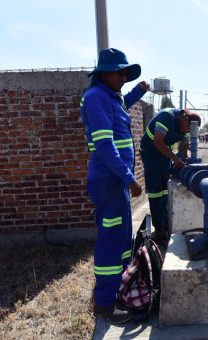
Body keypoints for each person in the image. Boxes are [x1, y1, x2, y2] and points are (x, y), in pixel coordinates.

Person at [80, 48, 150, 323]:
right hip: (110, 180)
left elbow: (120, 107)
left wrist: (138, 93)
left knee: (122, 239)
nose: (124, 77)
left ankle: (119, 289)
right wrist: (129, 177)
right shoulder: (96, 97)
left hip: (115, 181)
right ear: (104, 73)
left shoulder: (109, 97)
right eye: (119, 72)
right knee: (111, 242)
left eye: (125, 73)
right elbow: (105, 146)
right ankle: (105, 303)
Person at [140, 108, 201, 246]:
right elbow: (157, 142)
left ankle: (167, 224)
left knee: (165, 191)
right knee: (156, 192)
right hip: (150, 154)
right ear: (184, 118)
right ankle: (159, 230)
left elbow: (184, 145)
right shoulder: (166, 117)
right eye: (187, 128)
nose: (186, 132)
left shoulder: (186, 125)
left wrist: (185, 159)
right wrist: (175, 158)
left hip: (164, 155)